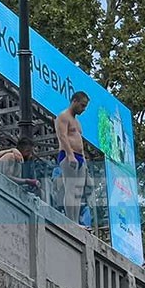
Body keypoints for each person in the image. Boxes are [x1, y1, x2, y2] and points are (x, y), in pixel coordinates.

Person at [55, 91, 89, 222]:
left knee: (78, 192)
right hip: (68, 155)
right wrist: (70, 155)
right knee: (70, 188)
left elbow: (80, 142)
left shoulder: (77, 122)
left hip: (80, 158)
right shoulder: (64, 116)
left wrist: (84, 161)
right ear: (74, 101)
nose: (83, 109)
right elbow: (62, 136)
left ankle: (75, 220)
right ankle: (71, 221)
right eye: (82, 105)